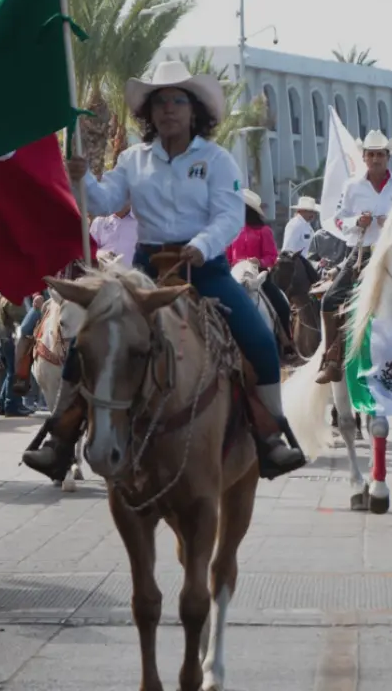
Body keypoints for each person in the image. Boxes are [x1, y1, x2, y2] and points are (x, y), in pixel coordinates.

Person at [40, 60, 306, 481]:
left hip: (205, 268)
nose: (168, 110)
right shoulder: (133, 158)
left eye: (177, 101)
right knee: (89, 336)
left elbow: (229, 216)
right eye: (160, 102)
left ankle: (271, 435)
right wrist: (81, 179)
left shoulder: (217, 160)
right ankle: (61, 434)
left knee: (258, 338)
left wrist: (200, 247)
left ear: (194, 110)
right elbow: (106, 200)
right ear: (149, 113)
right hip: (145, 267)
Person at [316, 129, 392, 384]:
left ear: (387, 157)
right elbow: (338, 219)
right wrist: (357, 221)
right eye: (371, 154)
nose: (375, 159)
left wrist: (390, 222)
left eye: (380, 154)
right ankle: (332, 357)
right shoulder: (352, 187)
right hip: (360, 253)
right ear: (364, 157)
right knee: (329, 300)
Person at [226, 190, 297, 363]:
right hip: (235, 276)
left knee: (281, 304)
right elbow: (227, 256)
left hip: (259, 277)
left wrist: (260, 262)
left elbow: (271, 256)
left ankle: (286, 342)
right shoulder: (231, 230)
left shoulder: (264, 231)